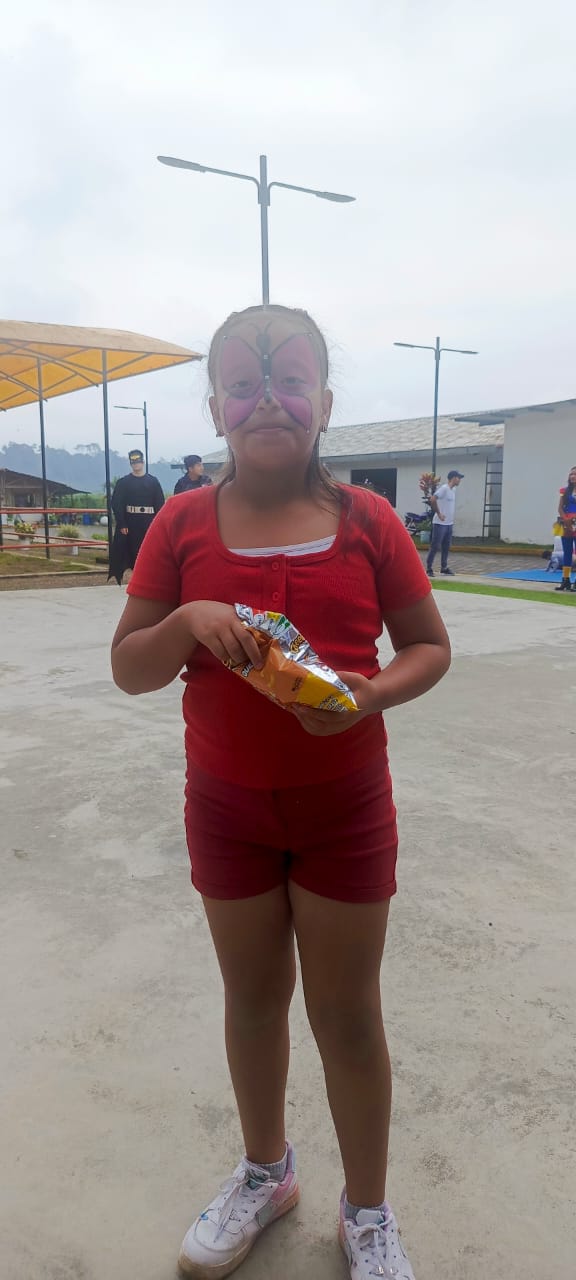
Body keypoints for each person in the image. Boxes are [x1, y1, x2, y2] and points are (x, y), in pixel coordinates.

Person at [111, 304, 451, 1280]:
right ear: (217, 407)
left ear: (325, 403)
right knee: (254, 998)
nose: (269, 400)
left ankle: (368, 1209)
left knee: (347, 1014)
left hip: (347, 809)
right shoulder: (181, 524)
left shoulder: (369, 521)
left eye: (291, 381)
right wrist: (188, 619)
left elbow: (429, 646)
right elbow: (130, 667)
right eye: (245, 384)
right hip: (227, 809)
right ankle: (267, 1171)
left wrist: (370, 693)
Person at [108, 450, 165, 585]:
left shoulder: (153, 481)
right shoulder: (123, 482)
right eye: (133, 462)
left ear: (143, 462)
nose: (136, 465)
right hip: (130, 522)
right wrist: (122, 523)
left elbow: (160, 504)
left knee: (149, 550)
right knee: (131, 551)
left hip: (148, 521)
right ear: (131, 464)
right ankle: (134, 579)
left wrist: (159, 524)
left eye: (138, 462)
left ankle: (149, 578)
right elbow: (117, 503)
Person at [426, 471, 464, 577]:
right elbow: (433, 499)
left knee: (446, 547)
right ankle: (429, 568)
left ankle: (444, 567)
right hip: (439, 524)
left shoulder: (453, 490)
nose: (460, 480)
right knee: (435, 546)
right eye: (459, 478)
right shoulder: (444, 488)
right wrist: (439, 513)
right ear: (453, 478)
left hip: (449, 524)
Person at [554, 466, 576, 592]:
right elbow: (560, 508)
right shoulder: (565, 491)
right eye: (571, 474)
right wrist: (565, 519)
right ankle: (565, 580)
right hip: (566, 523)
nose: (573, 476)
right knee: (567, 552)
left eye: (575, 474)